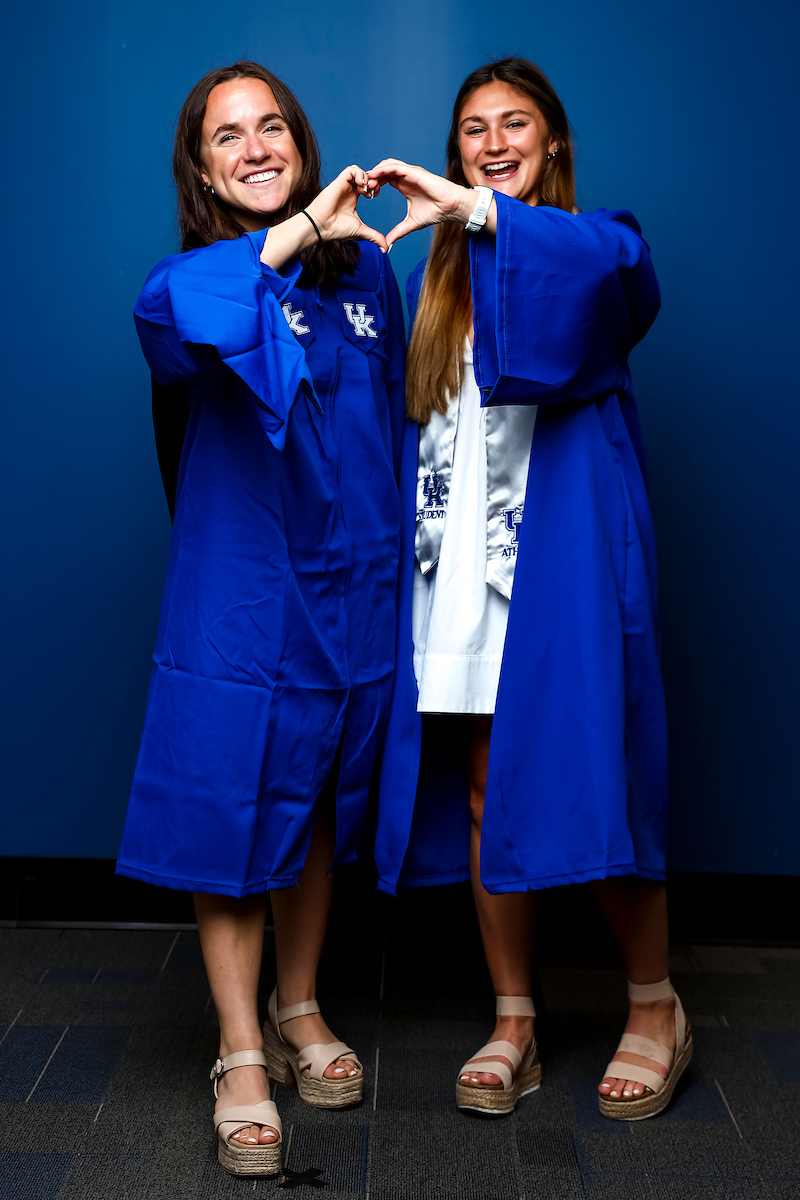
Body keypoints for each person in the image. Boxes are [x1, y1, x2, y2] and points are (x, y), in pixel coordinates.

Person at [370, 57, 691, 1121]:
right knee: (481, 787)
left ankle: (654, 1007)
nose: (493, 141)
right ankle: (514, 1016)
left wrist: (475, 211)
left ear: (551, 143)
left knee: (596, 775)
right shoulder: (436, 280)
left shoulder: (592, 249)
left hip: (558, 557)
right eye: (472, 129)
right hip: (460, 565)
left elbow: (622, 275)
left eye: (515, 125)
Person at [116, 62, 405, 1175]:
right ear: (199, 165)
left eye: (270, 126)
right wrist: (286, 241)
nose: (253, 146)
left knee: (315, 802)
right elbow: (174, 326)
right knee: (231, 804)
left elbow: (393, 424)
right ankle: (238, 1047)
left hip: (348, 591)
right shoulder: (188, 278)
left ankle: (297, 1007)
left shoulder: (364, 279)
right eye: (226, 135)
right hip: (240, 599)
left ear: (299, 138)